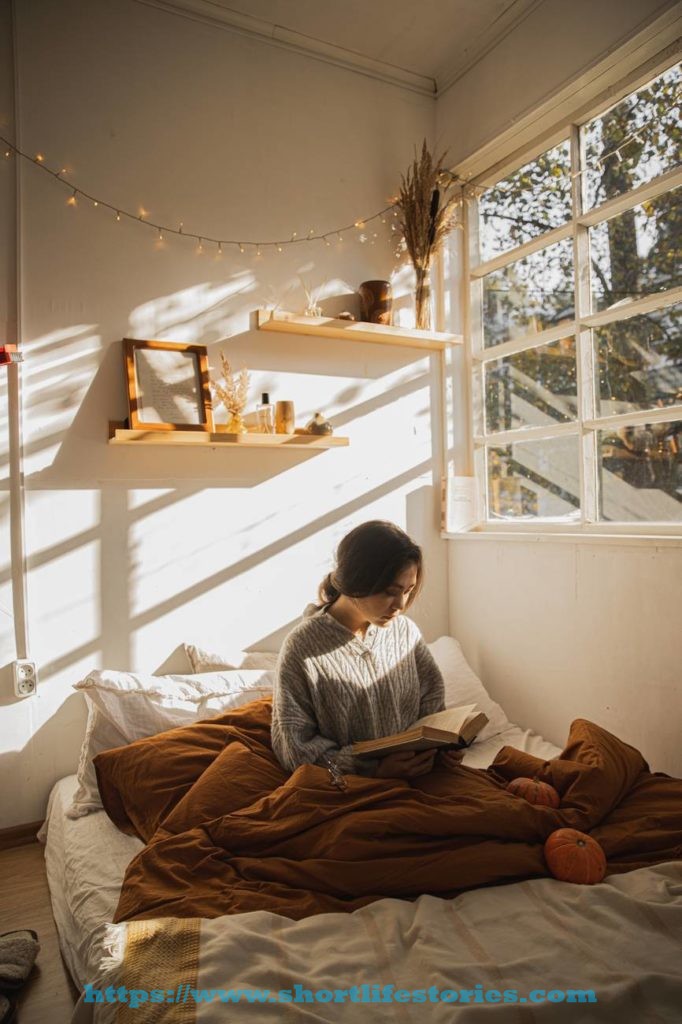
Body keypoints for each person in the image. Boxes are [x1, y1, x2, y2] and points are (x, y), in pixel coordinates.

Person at [271, 520, 464, 781]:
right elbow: (295, 747)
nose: (400, 604)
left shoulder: (404, 632)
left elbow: (433, 707)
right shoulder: (303, 647)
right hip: (356, 789)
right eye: (390, 592)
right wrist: (374, 770)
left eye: (408, 591)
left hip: (424, 777)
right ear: (356, 580)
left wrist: (444, 748)